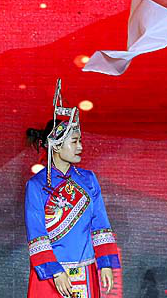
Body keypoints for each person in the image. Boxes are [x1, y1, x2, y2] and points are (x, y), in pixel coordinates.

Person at [25, 80, 120, 298]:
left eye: (80, 141)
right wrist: (56, 272)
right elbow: (37, 233)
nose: (80, 147)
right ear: (57, 145)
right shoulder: (37, 185)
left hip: (86, 271)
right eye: (74, 142)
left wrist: (105, 263)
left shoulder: (88, 179)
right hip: (50, 276)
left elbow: (100, 223)